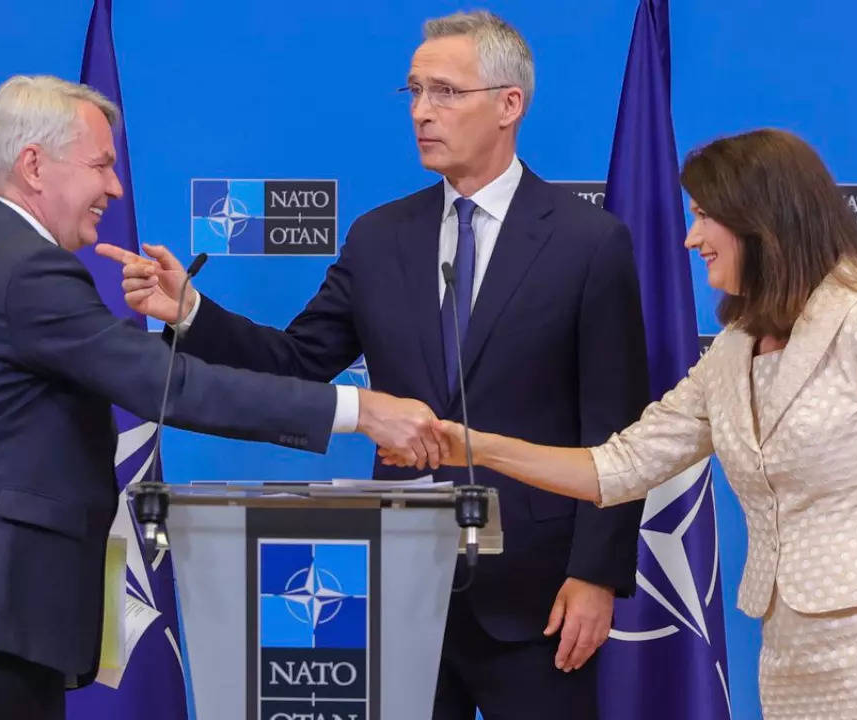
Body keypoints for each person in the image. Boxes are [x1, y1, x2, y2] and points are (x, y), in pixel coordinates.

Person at [97, 10, 650, 719]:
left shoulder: (589, 243)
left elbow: (617, 428)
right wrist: (193, 312)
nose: (423, 112)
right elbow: (298, 361)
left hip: (538, 595)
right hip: (401, 587)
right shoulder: (380, 236)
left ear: (510, 104)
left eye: (446, 92)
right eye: (415, 92)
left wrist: (595, 574)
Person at [0, 74, 443, 720]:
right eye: (102, 165)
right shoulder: (25, 269)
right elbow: (172, 386)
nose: (114, 187)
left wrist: (192, 315)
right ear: (34, 165)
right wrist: (360, 411)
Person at [424, 128, 857, 719]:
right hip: (792, 651)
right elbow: (620, 466)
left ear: (760, 219)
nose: (691, 238)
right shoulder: (734, 348)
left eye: (703, 216)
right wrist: (478, 447)